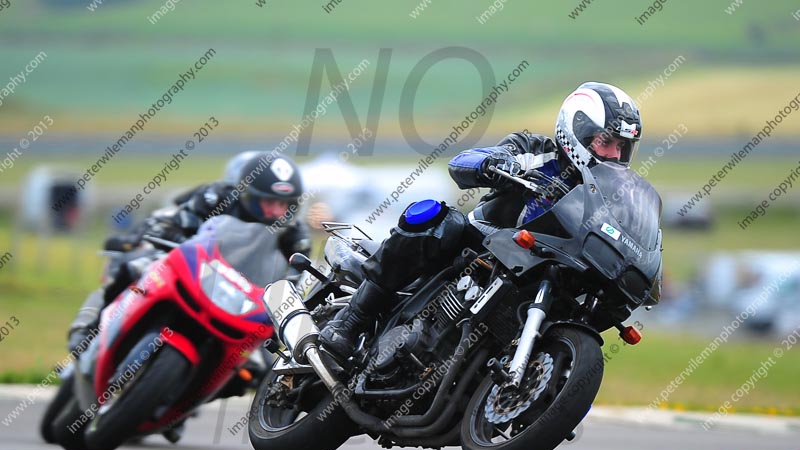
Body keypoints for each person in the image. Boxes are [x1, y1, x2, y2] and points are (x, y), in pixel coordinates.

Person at [319, 81, 644, 359]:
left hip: (546, 269)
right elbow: (464, 161)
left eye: (622, 147)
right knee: (438, 218)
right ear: (577, 131)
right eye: (606, 142)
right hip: (482, 249)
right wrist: (494, 163)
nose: (615, 155)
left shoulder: (612, 199)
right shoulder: (535, 151)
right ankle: (351, 321)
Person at [67, 151, 311, 355]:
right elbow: (170, 218)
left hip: (245, 296)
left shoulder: (295, 235)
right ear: (247, 193)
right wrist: (144, 237)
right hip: (193, 268)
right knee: (133, 267)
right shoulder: (216, 197)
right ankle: (89, 328)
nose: (276, 211)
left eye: (284, 204)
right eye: (268, 202)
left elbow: (297, 282)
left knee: (262, 360)